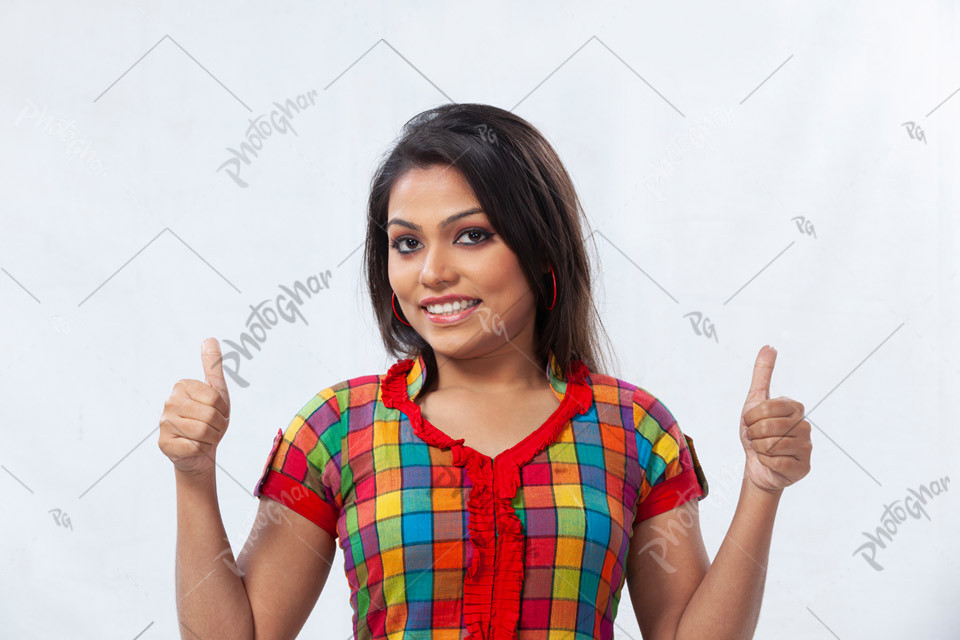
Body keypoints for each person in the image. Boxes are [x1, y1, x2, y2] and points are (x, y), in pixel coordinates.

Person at [159, 103, 813, 640]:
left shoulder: (635, 431)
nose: (433, 271)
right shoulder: (336, 429)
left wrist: (762, 486)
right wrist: (194, 477)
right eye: (406, 243)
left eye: (471, 235)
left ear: (540, 245)